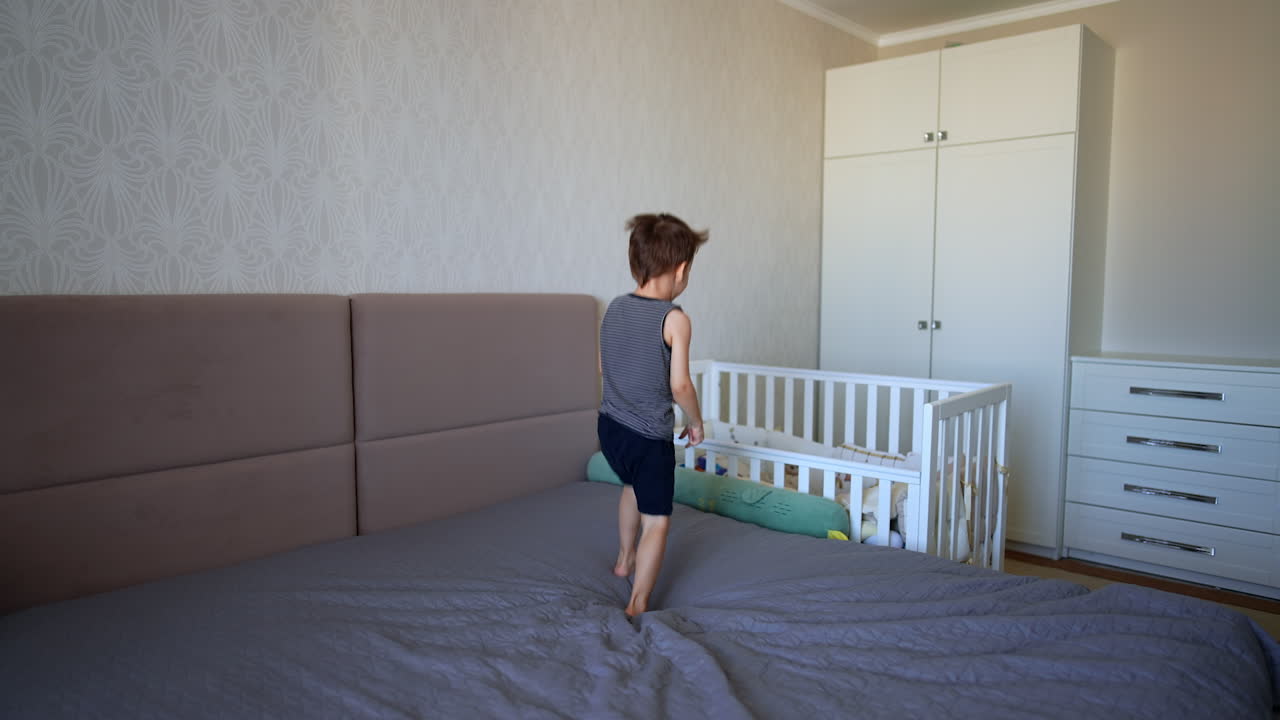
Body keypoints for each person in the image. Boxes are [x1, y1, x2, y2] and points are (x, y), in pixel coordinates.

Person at [597, 212, 708, 617]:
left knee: (631, 486)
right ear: (681, 270)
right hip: (647, 439)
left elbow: (603, 367)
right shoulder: (675, 319)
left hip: (610, 428)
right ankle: (638, 601)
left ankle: (624, 559)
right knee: (657, 520)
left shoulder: (614, 308)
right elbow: (680, 386)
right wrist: (695, 422)